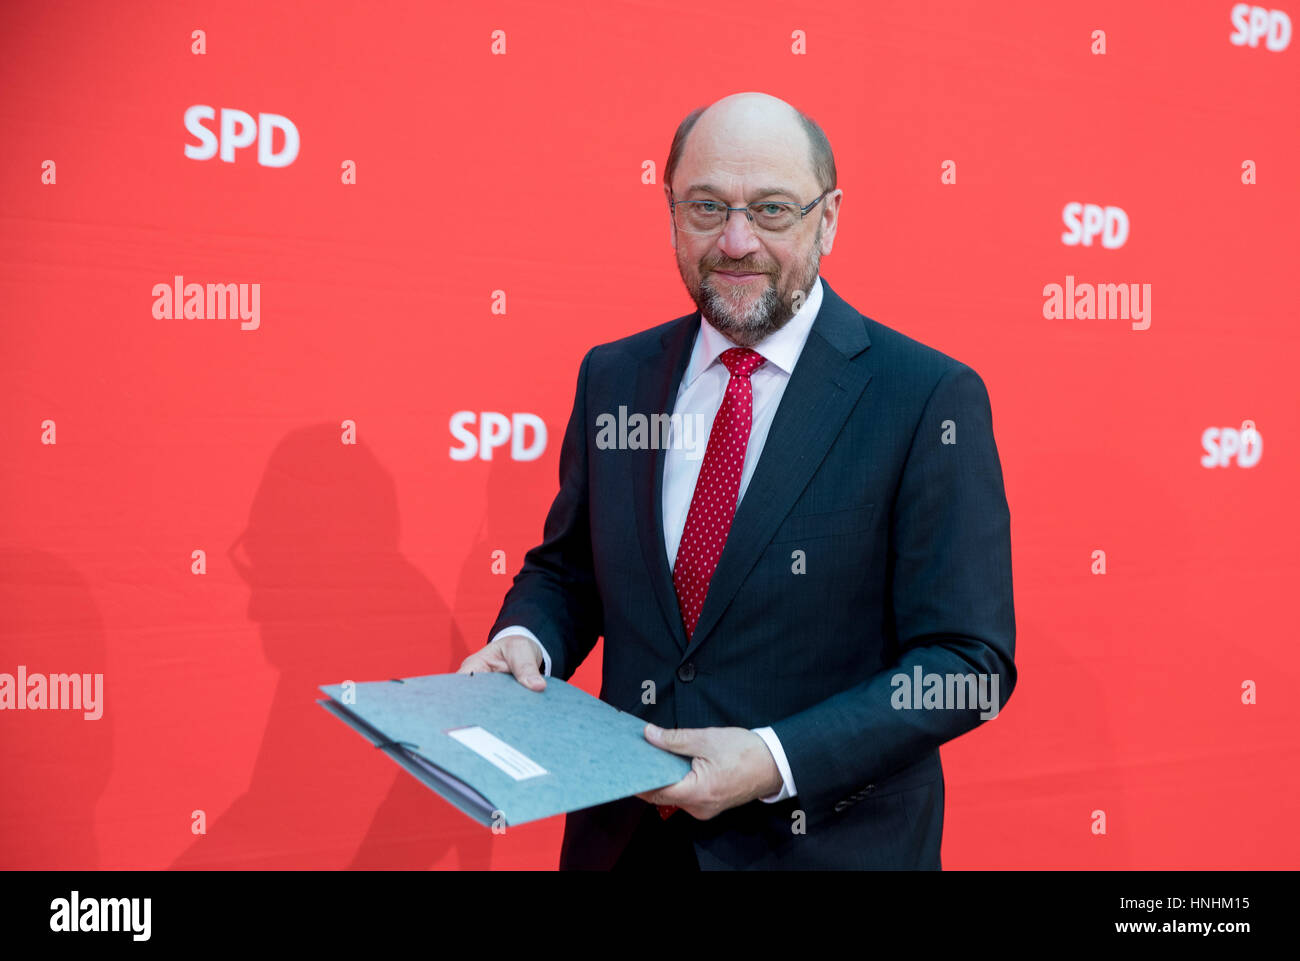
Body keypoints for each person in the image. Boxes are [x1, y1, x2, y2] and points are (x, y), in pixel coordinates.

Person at [460, 91, 1016, 869]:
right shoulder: (615, 376)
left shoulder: (924, 396)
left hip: (826, 848)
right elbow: (571, 569)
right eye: (706, 206)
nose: (736, 240)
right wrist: (525, 641)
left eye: (773, 209)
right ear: (670, 210)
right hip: (624, 847)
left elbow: (966, 663)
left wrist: (775, 758)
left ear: (828, 218)